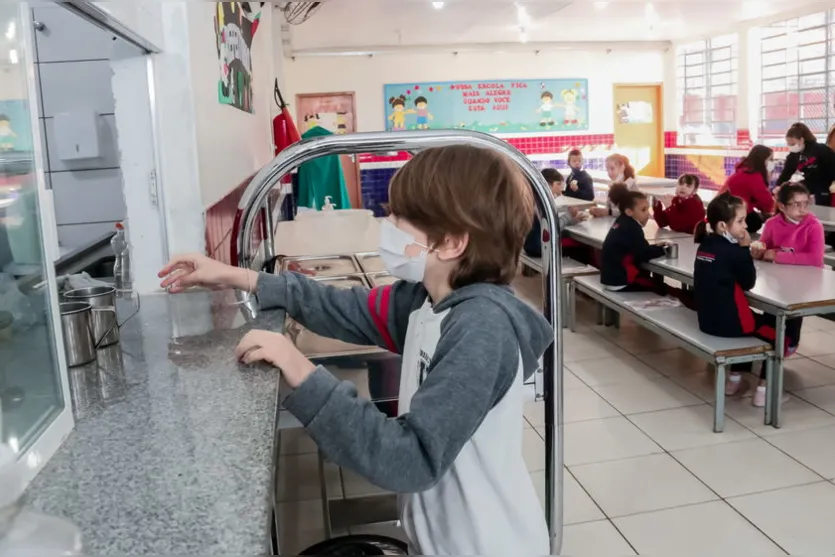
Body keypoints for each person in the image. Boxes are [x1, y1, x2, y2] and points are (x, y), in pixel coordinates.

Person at [158, 145, 551, 555]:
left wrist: (300, 370)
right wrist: (237, 277)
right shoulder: (427, 300)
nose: (388, 224)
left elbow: (411, 458)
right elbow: (344, 309)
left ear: (450, 243)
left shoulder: (481, 328)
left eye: (400, 218)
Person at [693, 193, 801, 408]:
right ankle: (765, 390)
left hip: (707, 321)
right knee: (782, 329)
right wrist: (744, 249)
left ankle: (733, 381)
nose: (745, 226)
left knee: (760, 319)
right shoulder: (734, 251)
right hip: (730, 326)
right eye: (741, 221)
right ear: (723, 225)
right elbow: (749, 281)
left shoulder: (705, 245)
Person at [600, 189, 666, 292]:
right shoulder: (632, 228)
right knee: (661, 288)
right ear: (629, 212)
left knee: (656, 284)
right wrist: (664, 250)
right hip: (621, 281)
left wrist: (656, 247)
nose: (648, 214)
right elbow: (644, 254)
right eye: (643, 210)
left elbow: (640, 247)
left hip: (609, 279)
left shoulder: (621, 221)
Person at [753, 182, 825, 268]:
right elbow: (763, 249)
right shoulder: (771, 224)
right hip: (779, 275)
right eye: (796, 204)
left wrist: (777, 256)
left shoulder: (814, 225)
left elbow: (816, 259)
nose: (802, 210)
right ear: (782, 206)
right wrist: (758, 253)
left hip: (809, 276)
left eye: (806, 203)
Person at [719, 144, 776, 233]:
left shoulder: (743, 170)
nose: (773, 163)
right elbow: (767, 203)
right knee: (755, 221)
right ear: (762, 160)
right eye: (771, 159)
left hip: (724, 211)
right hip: (732, 214)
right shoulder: (753, 176)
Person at [524, 168, 581, 258]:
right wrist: (569, 216)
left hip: (531, 246)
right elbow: (551, 227)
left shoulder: (535, 197)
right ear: (547, 184)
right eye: (558, 184)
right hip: (539, 248)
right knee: (581, 249)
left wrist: (573, 220)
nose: (561, 188)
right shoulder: (543, 201)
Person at [778, 122, 835, 207]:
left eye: (792, 144)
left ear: (801, 139)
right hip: (806, 189)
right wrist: (778, 187)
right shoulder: (793, 155)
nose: (790, 146)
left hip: (823, 188)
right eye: (788, 144)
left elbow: (832, 168)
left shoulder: (821, 150)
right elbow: (786, 173)